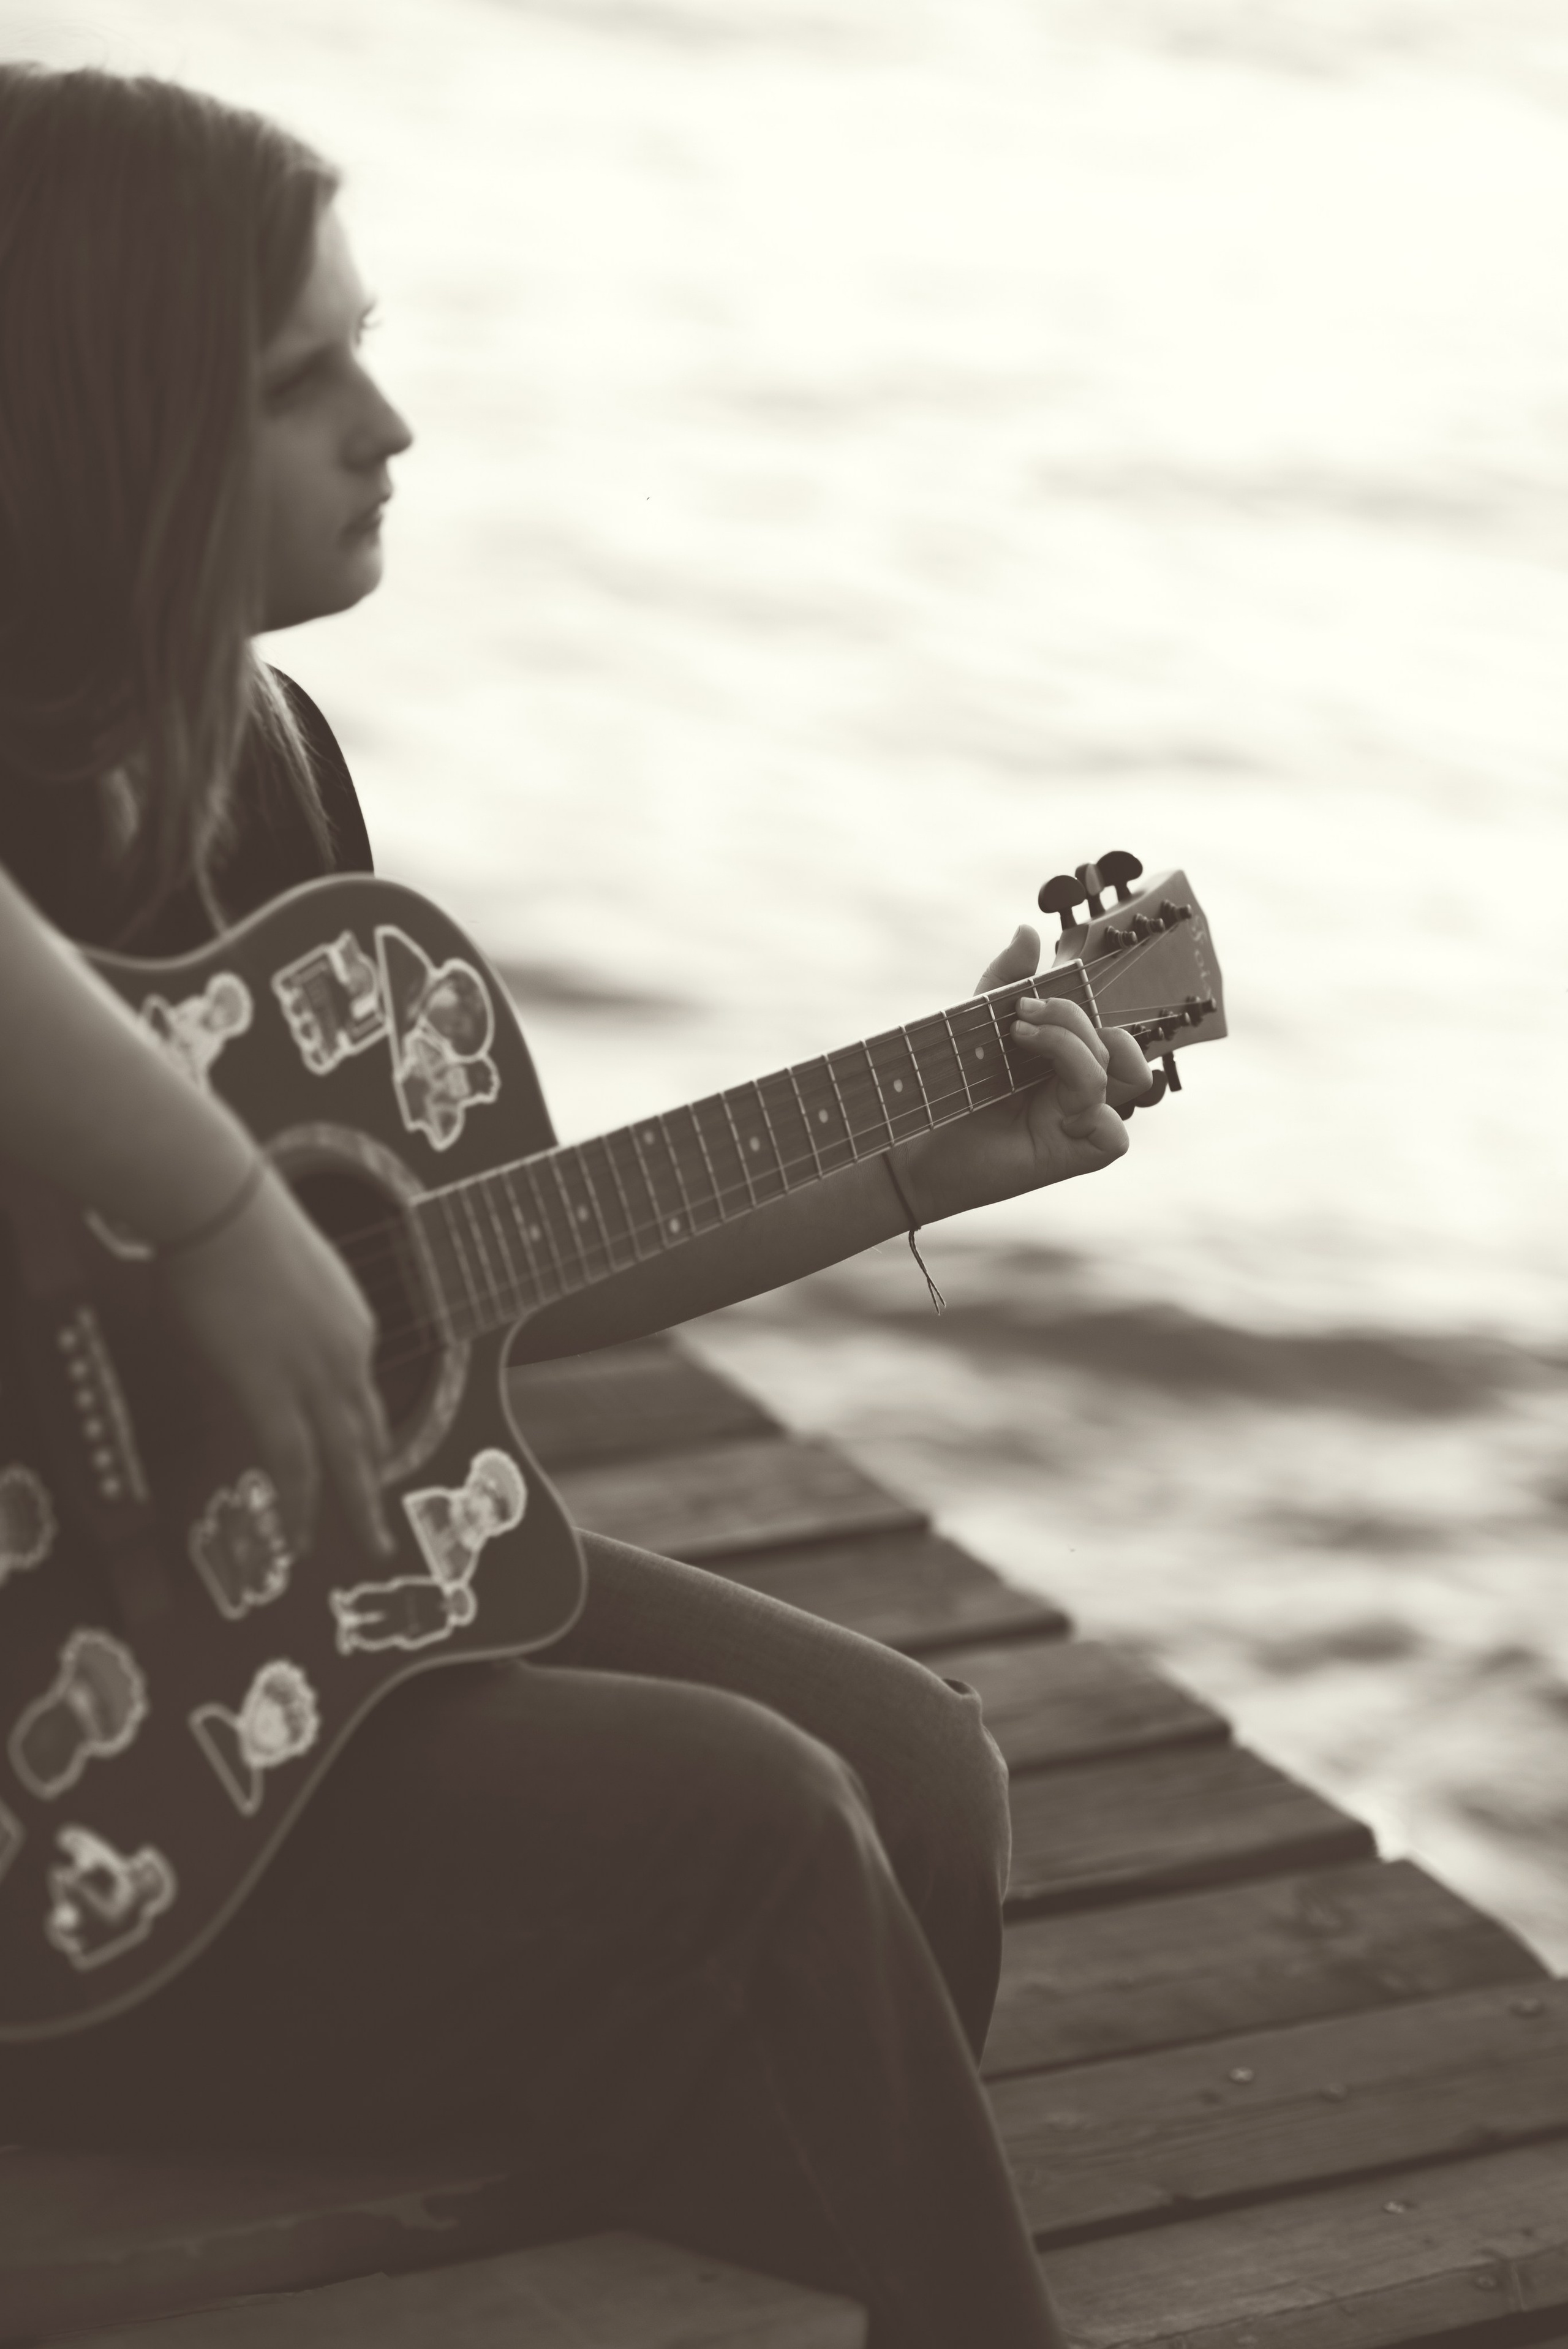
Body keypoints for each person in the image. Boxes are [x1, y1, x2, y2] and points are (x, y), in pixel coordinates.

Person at [0, 65, 1155, 2349]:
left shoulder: (269, 756)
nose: (392, 422)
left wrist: (931, 1148)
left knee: (918, 1780)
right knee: (751, 1824)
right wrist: (217, 1213)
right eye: (301, 378)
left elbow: (469, 1252)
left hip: (277, 1647)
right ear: (118, 424)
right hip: (65, 1807)